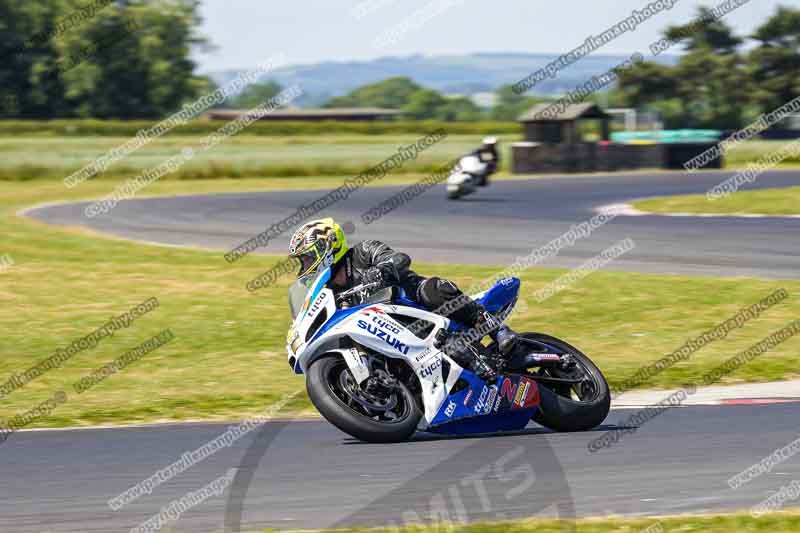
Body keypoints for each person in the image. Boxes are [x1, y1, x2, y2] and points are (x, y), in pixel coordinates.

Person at [288, 217, 517, 379]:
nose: (306, 266)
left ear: (328, 246)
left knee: (432, 289)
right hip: (385, 331)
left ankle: (497, 330)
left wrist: (384, 269)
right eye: (304, 261)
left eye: (308, 258)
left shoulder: (362, 252)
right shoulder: (327, 291)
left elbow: (399, 258)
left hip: (412, 302)